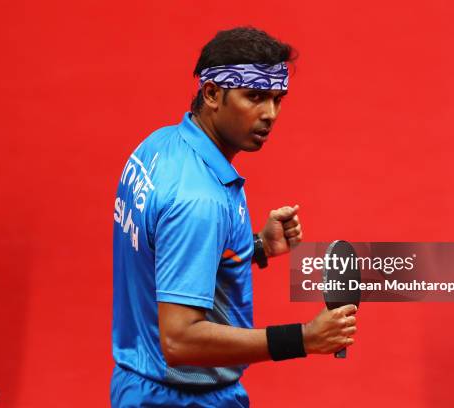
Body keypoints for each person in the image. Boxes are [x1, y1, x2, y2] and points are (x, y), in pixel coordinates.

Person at [111, 26, 357, 408]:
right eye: (254, 97)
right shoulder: (200, 200)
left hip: (135, 383)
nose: (270, 114)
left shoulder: (157, 147)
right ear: (211, 94)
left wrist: (253, 247)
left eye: (278, 99)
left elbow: (165, 254)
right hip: (182, 399)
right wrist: (304, 338)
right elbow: (180, 339)